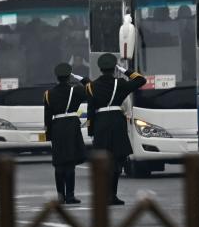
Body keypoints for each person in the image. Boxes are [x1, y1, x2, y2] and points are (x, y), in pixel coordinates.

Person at [86, 53, 147, 205]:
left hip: (100, 124)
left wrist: (91, 131)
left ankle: (103, 194)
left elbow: (90, 110)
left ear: (100, 69)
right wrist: (125, 70)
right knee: (116, 161)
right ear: (114, 69)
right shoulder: (119, 83)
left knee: (103, 161)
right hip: (117, 123)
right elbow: (141, 80)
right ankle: (112, 195)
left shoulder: (91, 87)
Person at [44, 63, 90, 205]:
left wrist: (49, 136)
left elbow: (47, 118)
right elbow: (91, 88)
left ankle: (60, 195)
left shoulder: (48, 94)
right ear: (69, 76)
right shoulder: (75, 91)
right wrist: (81, 78)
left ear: (56, 77)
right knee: (70, 163)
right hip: (71, 126)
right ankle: (70, 195)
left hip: (57, 127)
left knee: (59, 164)